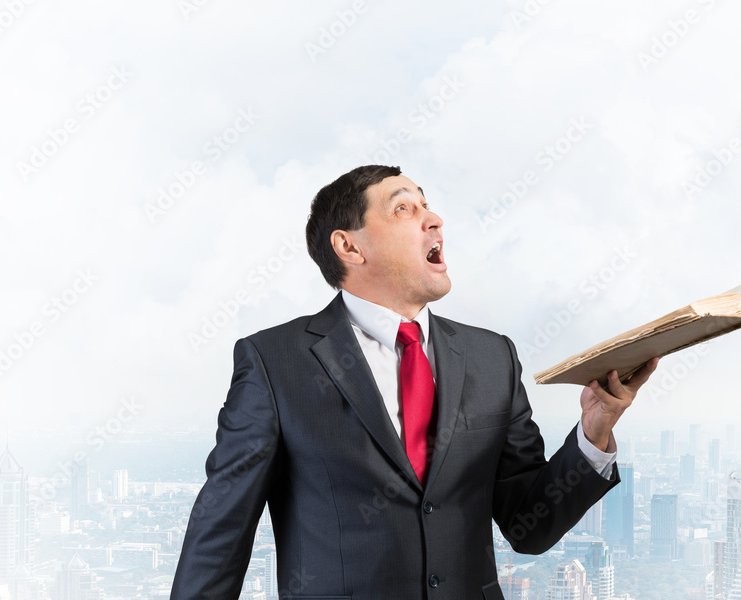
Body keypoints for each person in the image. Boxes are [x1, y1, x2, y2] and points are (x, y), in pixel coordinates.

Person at [170, 165, 659, 600]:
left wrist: (593, 433)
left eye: (428, 204)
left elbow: (528, 526)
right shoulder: (275, 362)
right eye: (403, 208)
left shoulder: (493, 357)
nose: (434, 219)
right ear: (349, 246)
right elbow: (221, 531)